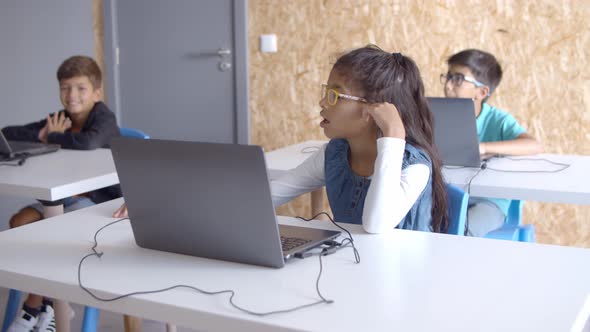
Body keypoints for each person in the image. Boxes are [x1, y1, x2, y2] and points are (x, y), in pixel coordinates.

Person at [113, 45, 448, 234]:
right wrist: (166, 202)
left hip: (404, 287)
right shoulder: (333, 155)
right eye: (325, 92)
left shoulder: (413, 166)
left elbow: (375, 226)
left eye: (335, 95)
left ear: (372, 112)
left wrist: (394, 137)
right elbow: (262, 195)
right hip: (354, 275)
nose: (322, 102)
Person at [3, 55, 121, 332]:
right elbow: (8, 133)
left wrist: (52, 137)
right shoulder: (62, 119)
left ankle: (33, 309)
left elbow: (89, 142)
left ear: (96, 92)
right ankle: (54, 306)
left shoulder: (104, 119)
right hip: (66, 198)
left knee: (52, 234)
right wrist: (44, 132)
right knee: (18, 225)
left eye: (80, 88)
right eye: (65, 88)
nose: (72, 96)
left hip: (102, 203)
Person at [442, 49, 542, 236]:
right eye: (448, 77)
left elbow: (533, 145)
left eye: (457, 79)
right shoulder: (437, 114)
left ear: (481, 91)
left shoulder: (498, 120)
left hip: (488, 201)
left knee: (463, 230)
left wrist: (484, 147)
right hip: (448, 195)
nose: (448, 85)